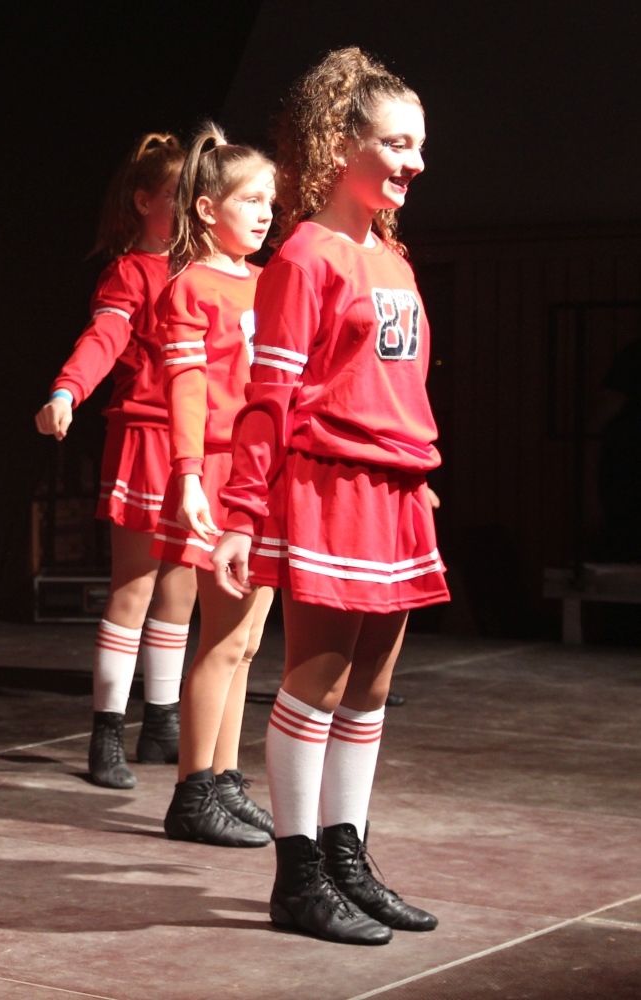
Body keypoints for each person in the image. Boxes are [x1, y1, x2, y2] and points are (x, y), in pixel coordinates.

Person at [211, 48, 447, 944]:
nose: (414, 162)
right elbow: (266, 399)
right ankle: (297, 874)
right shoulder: (304, 257)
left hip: (395, 488)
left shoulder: (393, 258)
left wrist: (417, 476)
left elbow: (400, 385)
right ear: (339, 144)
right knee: (318, 681)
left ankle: (349, 860)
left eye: (419, 145)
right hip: (330, 486)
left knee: (373, 688)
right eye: (396, 143)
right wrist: (243, 512)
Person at [34, 133, 195, 788]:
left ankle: (162, 723)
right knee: (135, 588)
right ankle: (107, 732)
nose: (190, 207)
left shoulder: (209, 272)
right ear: (144, 201)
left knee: (181, 592)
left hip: (197, 446)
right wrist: (66, 390)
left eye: (197, 194)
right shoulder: (132, 271)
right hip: (147, 438)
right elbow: (105, 336)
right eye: (176, 195)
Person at [150, 126, 277, 849]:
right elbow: (189, 388)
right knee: (223, 639)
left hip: (264, 472)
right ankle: (192, 792)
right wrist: (190, 474)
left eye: (270, 201)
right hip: (222, 473)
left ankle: (225, 780)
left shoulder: (267, 281)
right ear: (206, 208)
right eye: (249, 200)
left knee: (249, 642)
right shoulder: (191, 287)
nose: (265, 213)